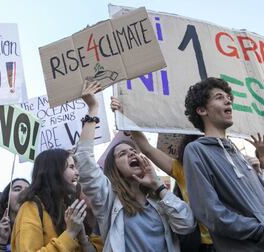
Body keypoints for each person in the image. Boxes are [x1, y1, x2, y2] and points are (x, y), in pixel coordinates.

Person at [75, 81, 195, 252]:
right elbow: (84, 159)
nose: (131, 153)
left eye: (132, 150)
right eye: (122, 154)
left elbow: (187, 224)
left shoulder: (159, 203)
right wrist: (93, 108)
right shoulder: (108, 202)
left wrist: (158, 186)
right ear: (113, 169)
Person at [183, 77, 264, 251]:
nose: (228, 100)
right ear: (202, 110)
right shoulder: (196, 150)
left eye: (228, 97)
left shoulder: (239, 155)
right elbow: (209, 212)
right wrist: (260, 232)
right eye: (219, 97)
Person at [110, 96, 212, 252]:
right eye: (194, 149)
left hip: (238, 238)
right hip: (208, 243)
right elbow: (147, 149)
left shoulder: (227, 166)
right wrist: (125, 118)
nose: (199, 153)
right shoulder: (182, 170)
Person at [11, 148, 102, 251]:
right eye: (71, 167)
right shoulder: (31, 208)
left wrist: (83, 239)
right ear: (54, 172)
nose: (77, 173)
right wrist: (70, 233)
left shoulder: (68, 207)